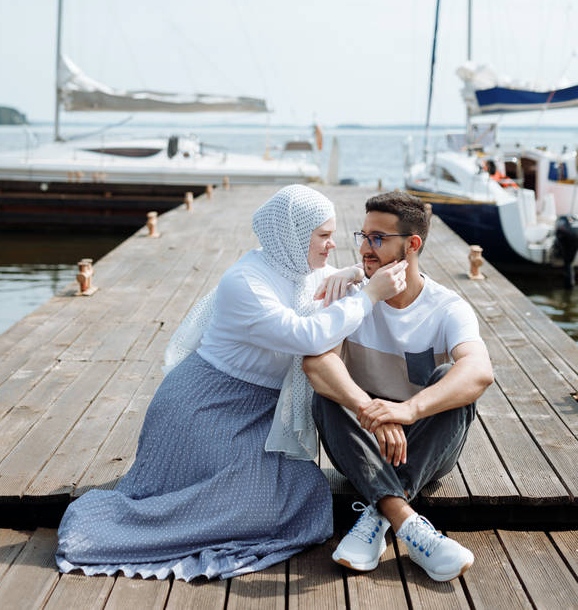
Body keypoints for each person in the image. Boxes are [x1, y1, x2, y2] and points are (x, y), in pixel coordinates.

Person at [56, 184, 407, 581]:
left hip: (258, 412)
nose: (332, 245)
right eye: (324, 236)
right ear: (292, 234)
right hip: (205, 408)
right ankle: (122, 527)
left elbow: (327, 282)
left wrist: (355, 272)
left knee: (305, 490)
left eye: (333, 235)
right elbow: (305, 335)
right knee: (268, 500)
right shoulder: (246, 282)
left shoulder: (299, 267)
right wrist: (368, 296)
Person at [303, 191, 494, 583]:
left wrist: (408, 410)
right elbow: (317, 364)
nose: (365, 248)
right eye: (363, 235)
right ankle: (407, 522)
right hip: (362, 442)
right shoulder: (353, 295)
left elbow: (479, 371)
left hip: (427, 447)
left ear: (412, 245)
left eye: (378, 238)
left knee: (450, 379)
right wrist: (372, 412)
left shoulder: (447, 307)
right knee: (325, 393)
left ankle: (379, 513)